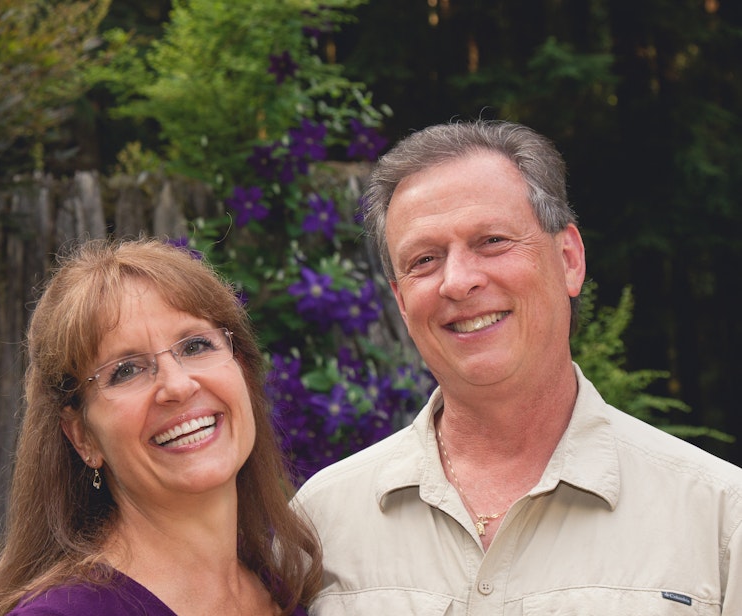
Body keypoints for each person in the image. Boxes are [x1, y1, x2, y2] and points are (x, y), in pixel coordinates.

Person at [294, 120, 742, 614]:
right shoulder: (321, 523)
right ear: (401, 300)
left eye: (491, 241)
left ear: (569, 259)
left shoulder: (720, 519)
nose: (458, 282)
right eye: (425, 259)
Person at [0, 238, 322, 616]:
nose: (178, 386)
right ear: (81, 436)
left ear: (244, 371)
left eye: (196, 346)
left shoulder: (289, 590)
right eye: (125, 371)